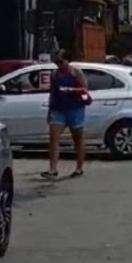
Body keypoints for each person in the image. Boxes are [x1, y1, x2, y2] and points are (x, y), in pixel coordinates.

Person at [43, 50, 90, 180]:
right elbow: (52, 93)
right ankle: (53, 169)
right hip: (59, 109)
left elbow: (85, 89)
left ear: (67, 61)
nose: (58, 65)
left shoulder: (76, 73)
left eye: (60, 62)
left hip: (75, 108)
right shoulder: (55, 74)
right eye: (56, 62)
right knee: (53, 139)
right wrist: (50, 110)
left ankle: (79, 167)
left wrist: (72, 90)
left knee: (77, 138)